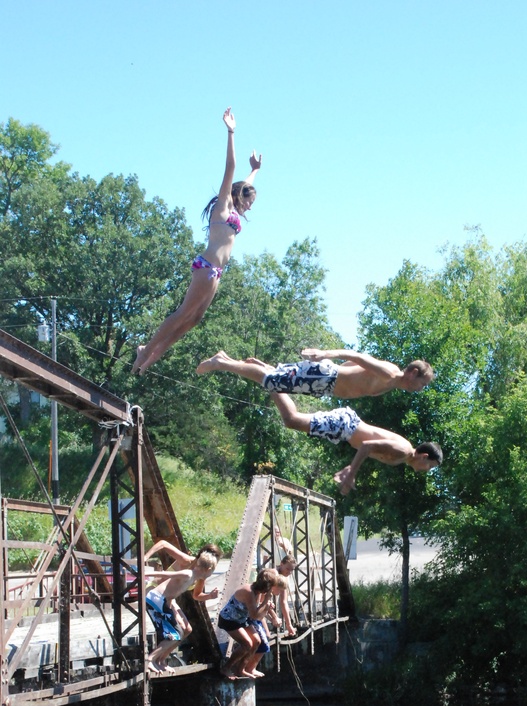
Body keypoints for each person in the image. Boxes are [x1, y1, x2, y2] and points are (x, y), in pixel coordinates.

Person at [131, 108, 261, 376]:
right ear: (238, 195)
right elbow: (230, 169)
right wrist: (231, 132)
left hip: (217, 272)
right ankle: (146, 350)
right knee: (183, 314)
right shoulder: (224, 205)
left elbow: (244, 182)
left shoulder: (235, 211)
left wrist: (255, 171)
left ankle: (152, 355)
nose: (250, 206)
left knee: (194, 319)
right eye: (249, 201)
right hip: (206, 266)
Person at [268, 392, 443, 494]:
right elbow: (367, 445)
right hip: (346, 425)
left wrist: (348, 469)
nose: (427, 470)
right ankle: (272, 379)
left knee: (293, 420)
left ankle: (271, 379)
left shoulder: (402, 457)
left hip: (345, 429)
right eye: (430, 466)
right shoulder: (403, 451)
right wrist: (352, 473)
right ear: (424, 456)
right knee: (292, 420)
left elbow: (366, 449)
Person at [196, 348, 433, 398]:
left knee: (274, 377)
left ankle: (229, 360)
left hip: (323, 380)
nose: (420, 389)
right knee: (271, 382)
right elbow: (357, 357)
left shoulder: (390, 382)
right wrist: (324, 354)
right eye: (422, 384)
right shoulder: (390, 374)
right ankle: (221, 363)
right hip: (325, 377)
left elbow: (353, 368)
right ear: (412, 373)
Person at [144, 547, 220, 674]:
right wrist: (144, 573)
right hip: (156, 598)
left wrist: (210, 596)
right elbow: (166, 574)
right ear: (208, 569)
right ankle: (150, 660)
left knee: (178, 633)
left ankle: (158, 660)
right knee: (174, 634)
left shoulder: (196, 577)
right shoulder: (188, 574)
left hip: (163, 601)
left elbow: (197, 595)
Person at [217, 568, 285, 679]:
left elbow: (258, 615)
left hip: (241, 620)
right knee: (247, 644)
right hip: (229, 620)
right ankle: (226, 667)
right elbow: (254, 615)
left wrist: (267, 607)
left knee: (257, 641)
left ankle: (241, 669)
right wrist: (265, 601)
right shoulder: (249, 591)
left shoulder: (257, 592)